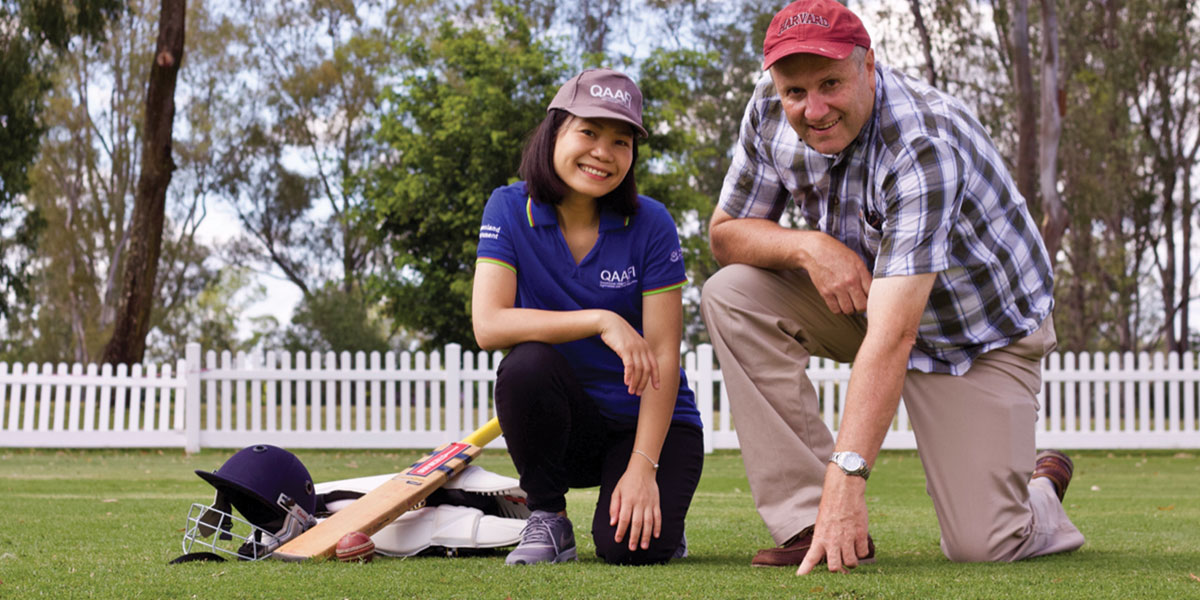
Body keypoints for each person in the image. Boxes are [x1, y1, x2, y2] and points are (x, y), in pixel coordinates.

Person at [700, 0, 1085, 573]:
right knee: (731, 293)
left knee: (984, 547)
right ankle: (808, 524)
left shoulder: (922, 143)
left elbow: (896, 334)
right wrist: (810, 246)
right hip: (873, 304)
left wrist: (848, 479)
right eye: (795, 91)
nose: (815, 108)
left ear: (868, 67)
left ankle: (1040, 494)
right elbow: (726, 234)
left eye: (830, 82)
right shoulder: (768, 109)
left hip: (979, 335)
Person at [472, 68, 704, 566]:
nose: (604, 152)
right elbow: (489, 325)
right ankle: (548, 517)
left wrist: (643, 468)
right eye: (589, 132)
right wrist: (601, 319)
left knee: (630, 550)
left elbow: (664, 353)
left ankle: (667, 522)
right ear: (554, 132)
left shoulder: (653, 222)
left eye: (621, 141)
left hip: (649, 425)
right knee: (526, 364)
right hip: (570, 425)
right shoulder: (509, 208)